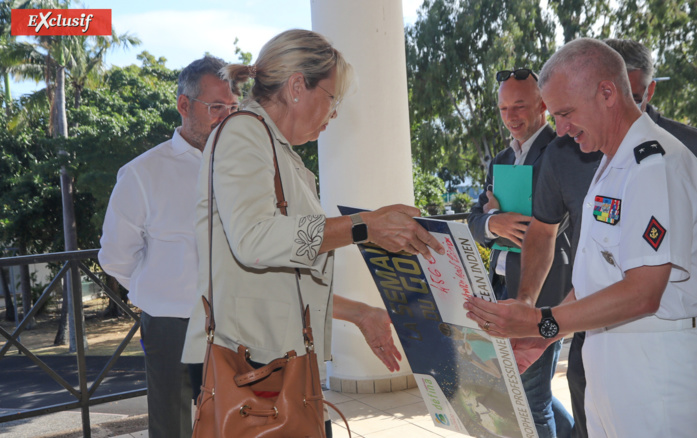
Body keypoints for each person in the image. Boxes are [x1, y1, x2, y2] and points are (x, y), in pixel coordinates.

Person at [179, 29, 444, 435]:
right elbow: (254, 241)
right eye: (332, 98)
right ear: (298, 86)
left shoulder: (281, 152)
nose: (333, 113)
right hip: (252, 366)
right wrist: (365, 226)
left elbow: (282, 274)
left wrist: (359, 313)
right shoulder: (243, 133)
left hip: (276, 361)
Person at [464, 38, 697, 437]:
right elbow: (599, 279)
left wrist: (544, 322)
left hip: (657, 365)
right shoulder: (612, 163)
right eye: (555, 116)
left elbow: (643, 292)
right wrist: (539, 333)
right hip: (609, 359)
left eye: (567, 113)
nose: (562, 129)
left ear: (607, 93)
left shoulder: (653, 165)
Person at [99, 55, 240, 438]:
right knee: (172, 427)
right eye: (215, 107)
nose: (226, 117)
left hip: (237, 319)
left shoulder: (242, 166)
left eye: (233, 108)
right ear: (183, 105)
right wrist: (161, 290)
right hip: (171, 324)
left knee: (238, 420)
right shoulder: (142, 174)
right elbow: (115, 256)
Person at [467, 68, 573, 438]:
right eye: (503, 108)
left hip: (542, 290)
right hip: (498, 286)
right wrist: (493, 223)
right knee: (519, 387)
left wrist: (510, 221)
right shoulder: (501, 159)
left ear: (543, 104)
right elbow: (474, 219)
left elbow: (554, 226)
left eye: (519, 106)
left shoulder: (562, 152)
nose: (511, 116)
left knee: (530, 397)